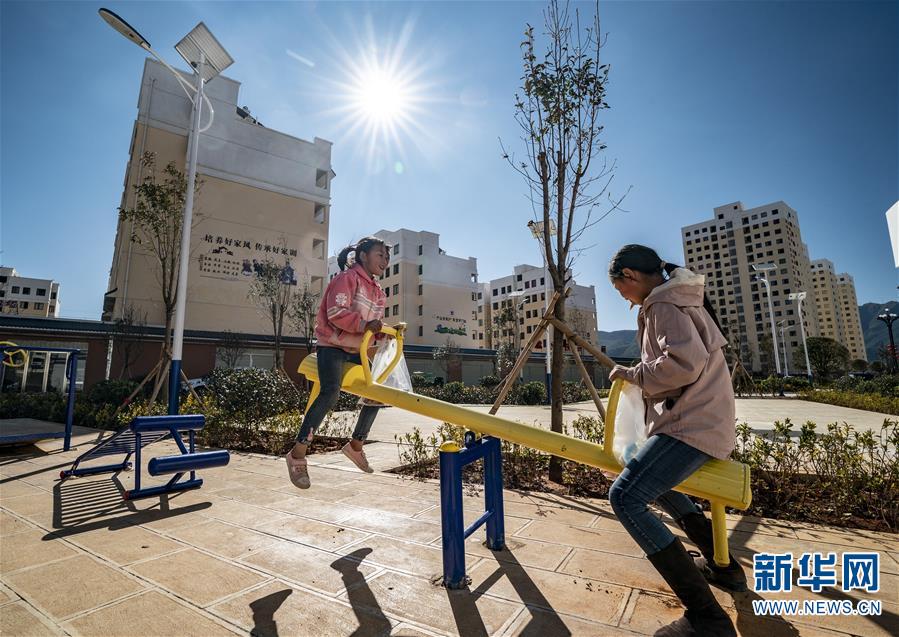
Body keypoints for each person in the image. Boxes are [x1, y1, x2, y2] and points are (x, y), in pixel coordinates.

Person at [606, 244, 745, 637]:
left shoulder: (663, 305)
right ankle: (723, 566)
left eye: (620, 289)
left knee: (626, 496)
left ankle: (706, 616)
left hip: (692, 426)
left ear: (631, 276)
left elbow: (683, 364)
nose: (623, 297)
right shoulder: (678, 299)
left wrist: (634, 375)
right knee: (658, 487)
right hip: (703, 420)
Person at [285, 236, 389, 489]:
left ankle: (356, 446)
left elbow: (371, 328)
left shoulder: (378, 293)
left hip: (356, 349)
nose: (385, 260)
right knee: (330, 392)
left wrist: (381, 332)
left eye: (387, 256)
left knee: (376, 393)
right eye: (380, 254)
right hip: (331, 345)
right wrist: (367, 325)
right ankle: (297, 454)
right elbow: (336, 314)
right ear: (363, 256)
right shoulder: (346, 279)